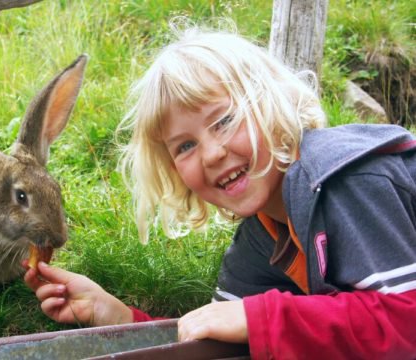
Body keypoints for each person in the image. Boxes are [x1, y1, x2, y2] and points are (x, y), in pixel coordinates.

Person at [24, 25, 416, 359]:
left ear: (271, 103)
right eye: (185, 146)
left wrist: (260, 317)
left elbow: (407, 325)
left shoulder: (344, 177)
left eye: (224, 121)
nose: (212, 153)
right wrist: (115, 318)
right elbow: (215, 339)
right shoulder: (264, 234)